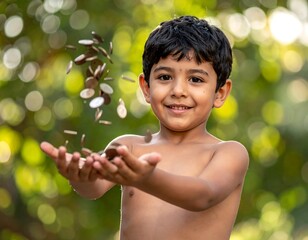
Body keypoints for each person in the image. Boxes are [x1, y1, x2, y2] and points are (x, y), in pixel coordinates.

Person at [41, 15, 249, 240]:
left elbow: (203, 195)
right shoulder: (129, 148)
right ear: (146, 88)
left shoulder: (228, 153)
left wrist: (145, 179)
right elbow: (93, 188)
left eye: (196, 80)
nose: (178, 90)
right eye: (165, 76)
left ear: (220, 93)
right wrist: (80, 176)